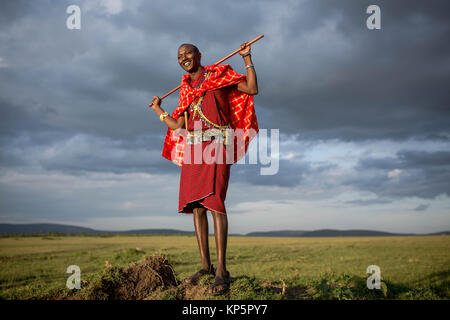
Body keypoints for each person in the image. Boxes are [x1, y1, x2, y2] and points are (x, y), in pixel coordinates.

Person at [149, 42, 258, 295]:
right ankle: (205, 266)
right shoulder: (186, 89)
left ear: (199, 56)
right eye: (179, 56)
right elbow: (178, 125)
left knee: (215, 202)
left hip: (217, 144)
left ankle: (221, 271)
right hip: (194, 149)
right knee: (196, 207)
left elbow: (252, 88)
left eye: (188, 53)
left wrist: (247, 58)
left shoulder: (218, 76)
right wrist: (158, 110)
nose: (184, 58)